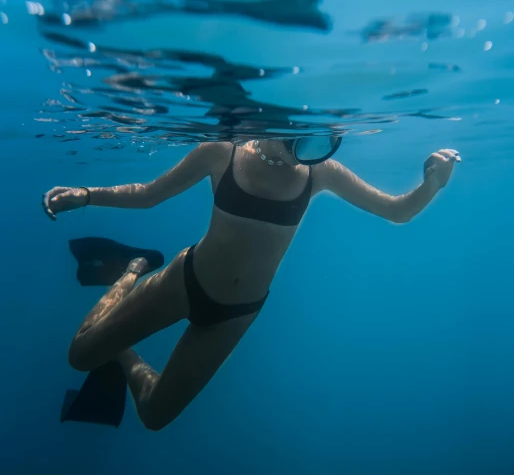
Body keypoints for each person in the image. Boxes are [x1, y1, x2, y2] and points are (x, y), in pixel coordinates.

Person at [42, 136, 460, 431]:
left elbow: (397, 212)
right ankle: (130, 270)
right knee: (80, 353)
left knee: (153, 416)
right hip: (183, 282)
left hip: (235, 316)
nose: (309, 154)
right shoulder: (221, 153)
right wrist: (86, 193)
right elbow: (149, 194)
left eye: (324, 142)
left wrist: (431, 185)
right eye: (304, 140)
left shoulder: (321, 173)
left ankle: (122, 352)